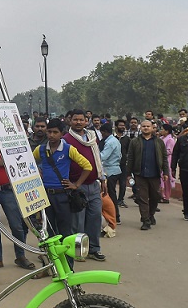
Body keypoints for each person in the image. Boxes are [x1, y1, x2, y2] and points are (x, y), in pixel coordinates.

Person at [0, 117, 35, 270]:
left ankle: (20, 256)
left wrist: (4, 163)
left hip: (8, 190)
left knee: (16, 225)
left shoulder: (10, 143)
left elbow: (22, 160)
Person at [33, 118, 92, 247]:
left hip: (62, 195)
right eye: (49, 132)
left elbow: (87, 166)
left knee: (65, 232)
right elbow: (29, 162)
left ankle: (68, 264)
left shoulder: (68, 149)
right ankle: (51, 263)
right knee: (48, 231)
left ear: (61, 133)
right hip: (46, 196)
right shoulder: (41, 149)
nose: (51, 135)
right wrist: (37, 171)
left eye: (55, 132)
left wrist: (76, 185)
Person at [63, 110, 106, 261]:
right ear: (70, 121)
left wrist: (102, 178)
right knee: (77, 222)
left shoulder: (92, 137)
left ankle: (94, 249)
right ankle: (79, 251)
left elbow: (97, 158)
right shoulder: (65, 140)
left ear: (86, 121)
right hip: (76, 186)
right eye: (76, 120)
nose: (79, 122)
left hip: (94, 184)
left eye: (82, 120)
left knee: (95, 218)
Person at [126, 120, 170, 230]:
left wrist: (165, 172)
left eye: (148, 126)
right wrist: (128, 174)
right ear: (141, 128)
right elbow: (130, 158)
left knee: (156, 196)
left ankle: (151, 215)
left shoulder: (159, 142)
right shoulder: (135, 142)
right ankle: (145, 220)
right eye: (144, 126)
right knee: (143, 198)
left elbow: (164, 158)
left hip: (155, 174)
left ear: (152, 128)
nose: (146, 128)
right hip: (140, 174)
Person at [99, 122, 122, 225]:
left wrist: (93, 155)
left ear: (104, 132)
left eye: (102, 133)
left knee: (110, 195)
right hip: (114, 169)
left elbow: (103, 156)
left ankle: (115, 216)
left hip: (110, 170)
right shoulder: (114, 140)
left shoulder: (110, 142)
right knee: (111, 194)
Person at [159, 124, 176, 203]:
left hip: (167, 160)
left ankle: (166, 196)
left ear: (167, 131)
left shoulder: (170, 140)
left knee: (166, 179)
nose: (161, 131)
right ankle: (161, 195)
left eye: (162, 129)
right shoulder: (161, 138)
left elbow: (169, 151)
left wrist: (160, 152)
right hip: (160, 160)